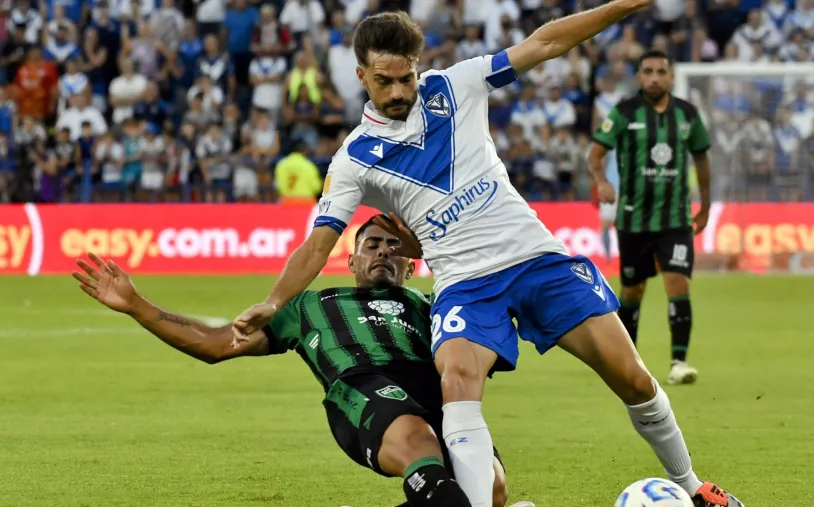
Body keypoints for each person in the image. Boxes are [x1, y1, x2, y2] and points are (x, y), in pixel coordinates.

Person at [233, 7, 742, 507]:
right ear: (361, 75)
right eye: (383, 81)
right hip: (465, 284)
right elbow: (318, 243)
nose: (397, 92)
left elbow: (546, 43)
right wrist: (275, 302)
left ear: (418, 64)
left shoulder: (457, 86)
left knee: (632, 377)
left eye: (406, 78)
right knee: (457, 381)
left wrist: (625, 6)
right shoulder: (354, 159)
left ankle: (693, 485)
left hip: (535, 257)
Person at [71, 217, 534, 507]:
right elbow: (216, 344)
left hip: (438, 397)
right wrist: (138, 306)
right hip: (364, 388)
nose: (382, 252)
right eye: (371, 244)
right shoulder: (309, 305)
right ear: (351, 260)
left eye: (394, 247)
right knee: (421, 444)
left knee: (490, 493)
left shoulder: (433, 305)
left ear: (412, 265)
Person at [588, 49, 712, 386]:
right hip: (633, 220)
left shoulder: (687, 115)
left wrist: (706, 206)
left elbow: (702, 160)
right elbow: (595, 153)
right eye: (648, 71)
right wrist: (602, 182)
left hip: (675, 219)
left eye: (661, 71)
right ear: (639, 76)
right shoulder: (625, 112)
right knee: (632, 292)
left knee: (678, 282)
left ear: (672, 76)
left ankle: (679, 363)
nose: (655, 77)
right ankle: (627, 363)